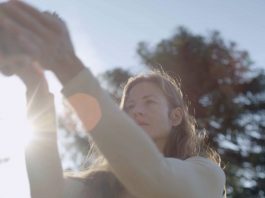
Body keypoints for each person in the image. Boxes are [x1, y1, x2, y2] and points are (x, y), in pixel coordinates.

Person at [0, 1, 226, 198]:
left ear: (175, 116)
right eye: (128, 106)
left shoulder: (207, 174)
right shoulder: (95, 185)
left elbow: (155, 179)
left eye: (149, 102)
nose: (136, 111)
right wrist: (36, 88)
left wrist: (66, 64)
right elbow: (47, 193)